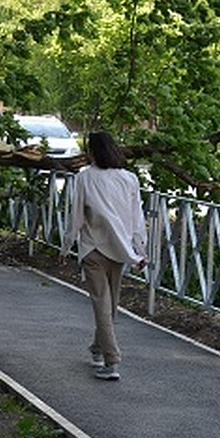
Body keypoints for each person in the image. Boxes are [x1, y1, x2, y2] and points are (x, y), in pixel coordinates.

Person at [62, 131, 147, 381]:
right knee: (111, 305)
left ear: (92, 151)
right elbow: (136, 219)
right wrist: (139, 251)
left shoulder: (85, 178)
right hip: (120, 251)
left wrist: (66, 246)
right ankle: (98, 349)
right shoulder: (129, 179)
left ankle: (112, 360)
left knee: (102, 305)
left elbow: (77, 217)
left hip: (94, 249)